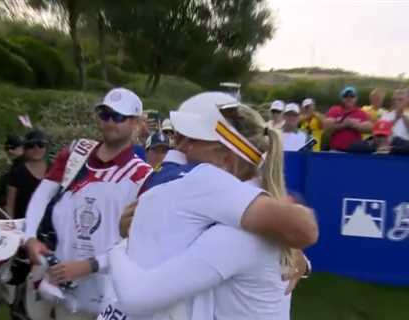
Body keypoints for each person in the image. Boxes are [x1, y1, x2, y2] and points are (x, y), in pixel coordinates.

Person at [98, 92, 318, 320]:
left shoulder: (235, 234)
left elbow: (137, 297)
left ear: (227, 160)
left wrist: (118, 249)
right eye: (178, 138)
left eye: (190, 140)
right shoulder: (238, 216)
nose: (178, 149)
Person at [23, 88, 152, 319]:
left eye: (119, 117)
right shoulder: (76, 154)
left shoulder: (142, 175)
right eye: (105, 114)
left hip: (106, 289)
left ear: (135, 123)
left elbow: (139, 240)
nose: (110, 122)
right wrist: (30, 237)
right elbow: (43, 194)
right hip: (60, 277)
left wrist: (90, 265)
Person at [6, 129, 48, 219]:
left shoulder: (54, 169)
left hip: (49, 226)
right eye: (31, 145)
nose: (36, 149)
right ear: (25, 149)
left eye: (40, 145)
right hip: (23, 224)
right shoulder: (17, 172)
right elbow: (10, 205)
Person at [324, 86, 372, 151]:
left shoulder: (361, 113)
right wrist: (345, 124)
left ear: (356, 98)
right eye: (346, 96)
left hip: (355, 152)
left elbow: (369, 128)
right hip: (336, 150)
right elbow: (327, 125)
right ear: (342, 98)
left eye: (352, 96)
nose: (349, 98)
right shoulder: (334, 110)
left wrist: (354, 125)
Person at [0, 134, 24, 207]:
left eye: (13, 147)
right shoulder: (9, 173)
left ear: (22, 148)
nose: (10, 151)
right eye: (7, 148)